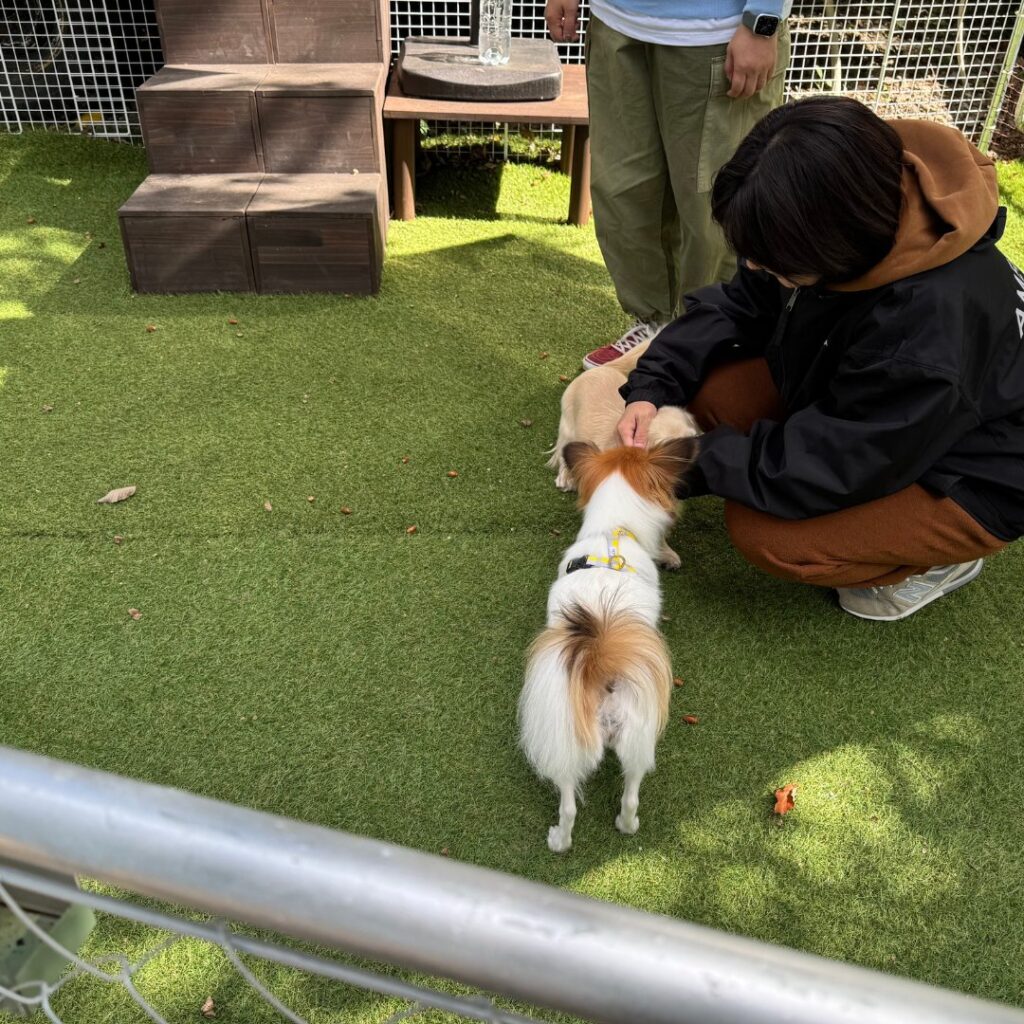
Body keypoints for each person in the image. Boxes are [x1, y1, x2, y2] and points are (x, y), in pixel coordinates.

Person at [600, 96, 1024, 621]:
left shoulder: (926, 329)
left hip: (977, 471)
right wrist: (652, 387)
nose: (754, 264)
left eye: (772, 258)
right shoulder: (843, 204)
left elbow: (837, 463)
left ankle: (941, 563)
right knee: (708, 393)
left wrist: (692, 460)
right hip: (888, 407)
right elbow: (739, 302)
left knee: (768, 535)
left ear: (832, 246)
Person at [545, 0, 790, 369]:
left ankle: (710, 344)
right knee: (623, 192)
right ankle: (655, 327)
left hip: (717, 31)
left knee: (716, 210)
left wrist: (762, 20)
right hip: (615, 20)